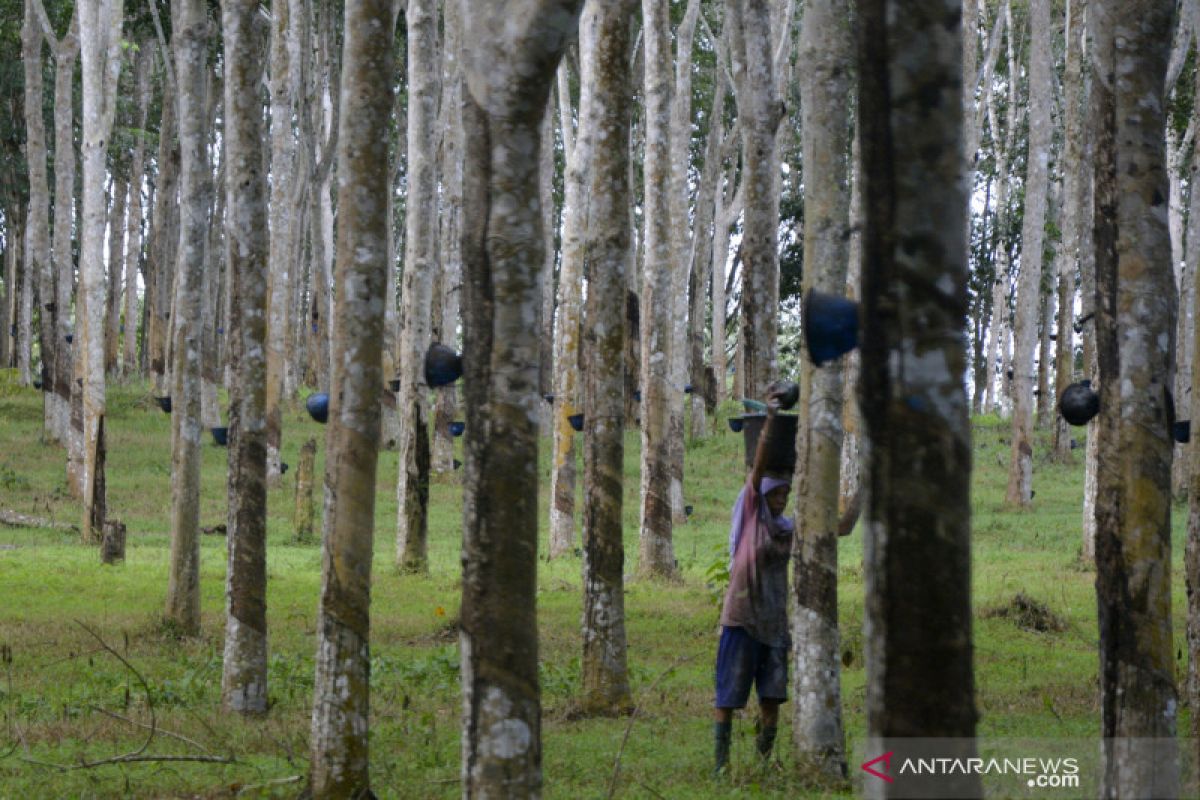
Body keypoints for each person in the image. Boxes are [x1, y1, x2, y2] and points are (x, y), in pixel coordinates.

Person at [713, 388, 794, 773]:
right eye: (777, 491)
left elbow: (839, 527)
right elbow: (758, 469)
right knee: (728, 697)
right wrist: (771, 426)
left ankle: (762, 767)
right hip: (742, 618)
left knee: (772, 700)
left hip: (775, 625)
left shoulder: (787, 528)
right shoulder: (751, 514)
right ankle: (720, 765)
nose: (783, 497)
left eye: (787, 492)